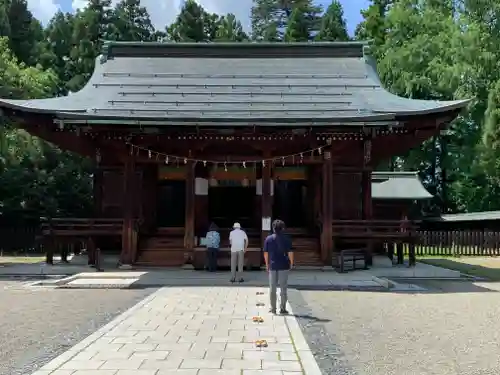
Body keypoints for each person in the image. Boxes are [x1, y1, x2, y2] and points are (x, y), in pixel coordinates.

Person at [263, 219, 294, 315]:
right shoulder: (287, 239)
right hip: (284, 265)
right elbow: (290, 253)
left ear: (273, 228)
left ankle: (273, 308)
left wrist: (267, 264)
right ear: (283, 228)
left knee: (272, 288)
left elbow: (266, 253)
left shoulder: (268, 239)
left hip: (272, 265)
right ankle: (283, 308)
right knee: (283, 288)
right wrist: (291, 263)